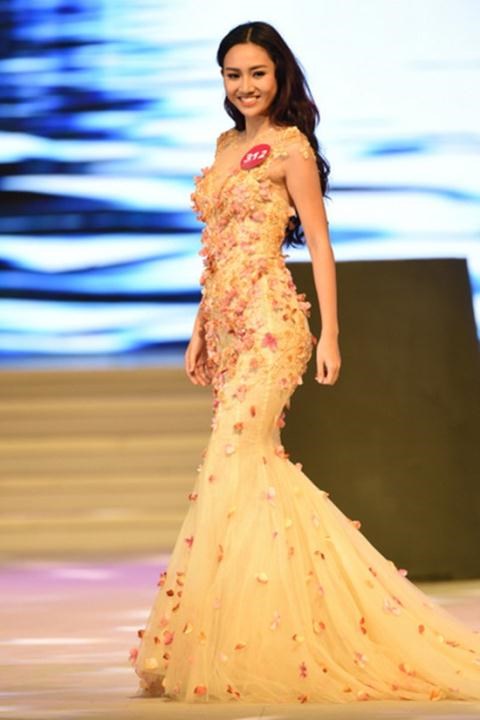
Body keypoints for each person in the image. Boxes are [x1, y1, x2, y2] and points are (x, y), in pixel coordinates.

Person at [130, 21, 480, 704]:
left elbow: (318, 242)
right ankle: (254, 629)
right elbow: (218, 249)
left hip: (271, 323)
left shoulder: (292, 148)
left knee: (235, 457)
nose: (245, 86)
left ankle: (275, 635)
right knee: (247, 471)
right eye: (233, 74)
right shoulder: (225, 145)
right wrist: (199, 328)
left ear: (279, 75)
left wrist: (330, 334)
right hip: (228, 326)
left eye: (257, 73)